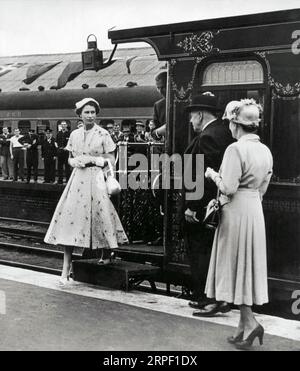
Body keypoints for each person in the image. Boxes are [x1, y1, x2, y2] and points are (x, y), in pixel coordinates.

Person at [204, 99, 273, 349]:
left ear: (236, 124)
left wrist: (212, 174)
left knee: (235, 265)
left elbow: (229, 187)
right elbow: (263, 186)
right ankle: (244, 326)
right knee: (246, 266)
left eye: (231, 123)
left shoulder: (235, 149)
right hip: (254, 209)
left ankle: (251, 324)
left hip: (235, 212)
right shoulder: (265, 150)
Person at [44, 98, 128, 286]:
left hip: (96, 178)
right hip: (78, 178)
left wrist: (98, 160)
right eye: (87, 112)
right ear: (80, 115)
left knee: (101, 214)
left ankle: (106, 250)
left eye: (93, 112)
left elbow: (111, 159)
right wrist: (74, 161)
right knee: (71, 218)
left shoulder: (103, 133)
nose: (90, 115)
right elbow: (70, 158)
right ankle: (66, 266)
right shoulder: (74, 134)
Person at [183, 92, 234, 315]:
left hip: (204, 208)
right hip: (219, 205)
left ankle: (207, 298)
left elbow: (202, 176)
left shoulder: (208, 137)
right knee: (212, 252)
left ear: (201, 114)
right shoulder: (223, 133)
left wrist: (193, 207)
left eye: (192, 116)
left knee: (200, 251)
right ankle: (214, 297)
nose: (190, 120)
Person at [151, 72, 167, 141]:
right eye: (158, 88)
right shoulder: (158, 106)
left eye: (163, 87)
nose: (160, 91)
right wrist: (160, 131)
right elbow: (153, 133)